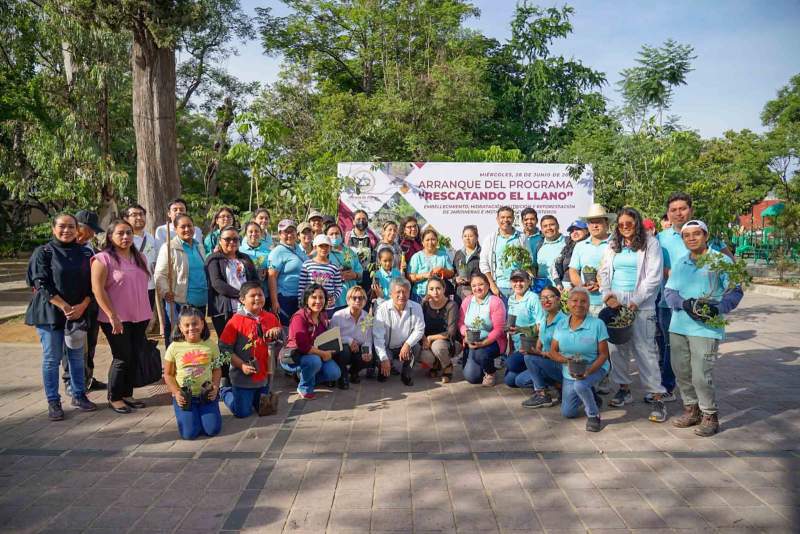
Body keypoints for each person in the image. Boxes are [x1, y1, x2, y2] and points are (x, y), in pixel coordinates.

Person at [663, 220, 743, 436]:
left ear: (705, 236)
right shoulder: (681, 263)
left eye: (696, 234)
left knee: (701, 374)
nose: (691, 238)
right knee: (681, 370)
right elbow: (669, 292)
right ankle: (692, 410)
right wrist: (683, 304)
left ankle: (710, 415)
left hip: (706, 328)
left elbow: (735, 291)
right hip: (679, 325)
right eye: (687, 235)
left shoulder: (721, 261)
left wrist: (719, 308)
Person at [598, 207, 668, 423]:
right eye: (621, 224)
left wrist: (635, 302)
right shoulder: (612, 243)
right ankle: (624, 389)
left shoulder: (650, 242)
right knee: (617, 349)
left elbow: (654, 277)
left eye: (629, 223)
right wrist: (607, 295)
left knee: (645, 351)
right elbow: (604, 272)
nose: (625, 227)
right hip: (616, 302)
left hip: (641, 304)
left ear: (637, 223)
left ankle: (657, 397)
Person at [25, 213, 98, 420]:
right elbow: (40, 283)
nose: (66, 231)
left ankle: (79, 394)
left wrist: (83, 305)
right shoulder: (44, 252)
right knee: (52, 358)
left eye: (71, 227)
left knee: (76, 357)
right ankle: (53, 401)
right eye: (62, 227)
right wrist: (64, 305)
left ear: (78, 230)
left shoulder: (85, 253)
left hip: (78, 312)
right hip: (50, 313)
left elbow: (94, 285)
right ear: (53, 229)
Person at [91, 219, 153, 414]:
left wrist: (149, 314)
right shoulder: (102, 259)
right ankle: (114, 396)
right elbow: (97, 289)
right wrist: (112, 315)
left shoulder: (140, 257)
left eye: (128, 233)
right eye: (120, 233)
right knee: (122, 357)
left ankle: (127, 393)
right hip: (115, 319)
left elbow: (144, 287)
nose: (125, 237)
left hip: (140, 316)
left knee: (134, 355)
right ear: (110, 236)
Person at [549, 288, 610, 432]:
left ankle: (594, 415)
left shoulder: (597, 324)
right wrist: (566, 360)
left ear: (588, 305)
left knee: (580, 385)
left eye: (583, 301)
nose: (579, 304)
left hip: (595, 367)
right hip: (569, 371)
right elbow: (552, 351)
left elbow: (603, 355)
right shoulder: (561, 324)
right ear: (568, 303)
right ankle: (592, 395)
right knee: (568, 413)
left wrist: (589, 371)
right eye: (574, 301)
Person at [219, 282, 282, 417]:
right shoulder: (235, 322)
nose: (258, 298)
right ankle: (225, 391)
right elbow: (224, 349)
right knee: (242, 413)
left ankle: (254, 398)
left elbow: (282, 341)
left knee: (264, 410)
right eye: (252, 295)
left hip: (264, 376)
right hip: (243, 378)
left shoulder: (271, 317)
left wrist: (278, 332)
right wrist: (241, 365)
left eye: (260, 294)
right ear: (242, 300)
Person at [656, 192, 694, 403]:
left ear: (691, 209)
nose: (678, 213)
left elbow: (724, 261)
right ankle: (668, 386)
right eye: (674, 210)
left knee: (693, 347)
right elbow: (657, 268)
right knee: (669, 346)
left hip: (697, 303)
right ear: (668, 214)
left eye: (683, 208)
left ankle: (692, 389)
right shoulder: (660, 239)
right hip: (667, 303)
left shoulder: (701, 234)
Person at [163, 306, 222, 440]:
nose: (191, 328)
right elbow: (168, 374)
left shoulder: (211, 345)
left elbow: (217, 369)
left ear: (202, 324)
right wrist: (176, 392)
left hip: (205, 395)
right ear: (180, 327)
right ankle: (192, 416)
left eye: (195, 324)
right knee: (189, 434)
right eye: (187, 325)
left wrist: (215, 387)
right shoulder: (173, 347)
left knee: (212, 430)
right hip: (185, 396)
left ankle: (203, 414)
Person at [63, 210, 105, 392]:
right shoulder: (61, 250)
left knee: (90, 343)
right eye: (84, 229)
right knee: (72, 344)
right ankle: (70, 381)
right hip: (71, 307)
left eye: (92, 231)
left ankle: (87, 377)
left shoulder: (92, 250)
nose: (87, 234)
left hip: (91, 306)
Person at [154, 214, 208, 345]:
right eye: (182, 226)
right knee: (177, 339)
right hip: (180, 301)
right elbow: (160, 274)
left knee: (196, 338)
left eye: (189, 225)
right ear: (176, 229)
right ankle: (173, 365)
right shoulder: (169, 248)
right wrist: (166, 292)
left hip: (201, 301)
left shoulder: (199, 246)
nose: (187, 229)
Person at [285, 284, 342, 399]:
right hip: (295, 356)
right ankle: (304, 386)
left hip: (316, 353)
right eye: (314, 297)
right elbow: (303, 346)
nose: (318, 301)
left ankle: (304, 376)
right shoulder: (299, 317)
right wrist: (323, 354)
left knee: (335, 373)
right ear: (306, 299)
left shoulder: (323, 315)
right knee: (315, 361)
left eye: (321, 297)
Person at [205, 225, 259, 344]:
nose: (232, 242)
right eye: (227, 239)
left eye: (235, 239)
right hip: (224, 310)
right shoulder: (213, 260)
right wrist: (241, 296)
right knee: (227, 344)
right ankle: (227, 363)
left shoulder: (245, 258)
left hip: (247, 308)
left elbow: (255, 280)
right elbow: (217, 283)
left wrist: (250, 298)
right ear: (220, 240)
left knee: (246, 342)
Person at [520, 285, 568, 408]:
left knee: (529, 359)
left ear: (558, 299)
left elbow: (563, 352)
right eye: (542, 298)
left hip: (561, 365)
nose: (546, 301)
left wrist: (538, 354)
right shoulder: (544, 318)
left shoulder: (564, 322)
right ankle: (557, 386)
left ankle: (542, 394)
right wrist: (532, 350)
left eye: (550, 297)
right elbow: (539, 344)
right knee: (519, 380)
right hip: (547, 361)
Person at [373, 278, 426, 386]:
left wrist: (407, 344)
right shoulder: (382, 309)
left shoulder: (416, 307)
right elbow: (378, 337)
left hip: (404, 347)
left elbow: (420, 329)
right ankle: (385, 367)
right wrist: (383, 359)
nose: (402, 295)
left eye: (405, 292)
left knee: (415, 348)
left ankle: (406, 372)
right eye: (398, 292)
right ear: (391, 293)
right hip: (387, 347)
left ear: (409, 293)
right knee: (382, 364)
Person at [458, 273, 506, 386]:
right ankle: (480, 363)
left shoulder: (495, 302)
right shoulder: (467, 301)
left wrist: (483, 343)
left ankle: (491, 372)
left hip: (492, 342)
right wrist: (466, 334)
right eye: (474, 285)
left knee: (480, 354)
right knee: (473, 378)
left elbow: (498, 329)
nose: (477, 288)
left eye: (480, 284)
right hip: (471, 341)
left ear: (488, 286)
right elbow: (460, 322)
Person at [568, 204, 614, 317]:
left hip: (611, 301)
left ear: (606, 223)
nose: (595, 226)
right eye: (591, 222)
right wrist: (582, 286)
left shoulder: (615, 244)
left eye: (598, 222)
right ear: (587, 225)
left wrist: (602, 285)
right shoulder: (580, 246)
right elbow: (573, 270)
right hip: (586, 303)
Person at [503, 270, 544, 388]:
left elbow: (540, 326)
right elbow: (511, 328)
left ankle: (543, 373)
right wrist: (510, 349)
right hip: (517, 348)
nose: (518, 284)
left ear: (528, 282)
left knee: (511, 364)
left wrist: (522, 330)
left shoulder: (533, 298)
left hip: (531, 347)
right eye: (515, 281)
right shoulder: (511, 299)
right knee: (510, 380)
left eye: (521, 281)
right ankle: (528, 371)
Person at [479, 207, 527, 301]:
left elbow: (528, 261)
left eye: (509, 217)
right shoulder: (490, 239)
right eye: (502, 217)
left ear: (513, 219)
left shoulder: (522, 238)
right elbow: (483, 264)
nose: (505, 220)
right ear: (497, 219)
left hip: (518, 288)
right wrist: (492, 285)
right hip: (498, 288)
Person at [330, 286, 374, 388]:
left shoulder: (367, 317)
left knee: (370, 357)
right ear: (348, 300)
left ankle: (354, 372)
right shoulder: (338, 316)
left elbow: (367, 339)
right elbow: (331, 338)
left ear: (365, 300)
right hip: (341, 349)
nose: (358, 300)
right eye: (354, 298)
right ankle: (342, 374)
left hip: (358, 348)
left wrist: (367, 352)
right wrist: (349, 341)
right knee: (344, 351)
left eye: (361, 298)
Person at [268, 220, 308, 326]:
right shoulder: (278, 252)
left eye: (292, 231)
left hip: (301, 297)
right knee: (287, 330)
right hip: (285, 299)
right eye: (286, 232)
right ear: (280, 234)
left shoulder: (299, 249)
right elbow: (272, 277)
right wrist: (274, 302)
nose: (289, 235)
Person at [419, 277, 459, 383]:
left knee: (438, 346)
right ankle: (436, 365)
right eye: (431, 289)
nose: (435, 292)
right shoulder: (425, 305)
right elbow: (419, 326)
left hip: (448, 342)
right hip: (428, 342)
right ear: (427, 291)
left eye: (438, 288)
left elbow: (451, 332)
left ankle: (447, 366)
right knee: (420, 352)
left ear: (444, 289)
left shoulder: (451, 305)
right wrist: (424, 339)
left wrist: (430, 338)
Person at [297, 234, 343, 315]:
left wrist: (334, 298)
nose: (324, 249)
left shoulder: (334, 267)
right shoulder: (307, 265)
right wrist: (302, 304)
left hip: (328, 307)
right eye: (321, 246)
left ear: (330, 248)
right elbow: (302, 287)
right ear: (315, 247)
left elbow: (339, 287)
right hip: (311, 306)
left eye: (327, 246)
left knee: (327, 327)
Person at [124, 204, 158, 310]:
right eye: (134, 215)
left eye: (141, 214)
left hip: (149, 287)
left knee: (145, 321)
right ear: (125, 218)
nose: (139, 217)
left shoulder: (150, 237)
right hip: (130, 288)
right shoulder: (123, 239)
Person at [407, 228, 453, 302]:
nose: (430, 242)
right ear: (422, 242)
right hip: (420, 294)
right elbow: (410, 276)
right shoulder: (417, 257)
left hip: (439, 294)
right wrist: (424, 275)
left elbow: (451, 273)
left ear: (437, 241)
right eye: (427, 240)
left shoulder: (443, 255)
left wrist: (442, 270)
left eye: (433, 239)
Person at [327, 223, 363, 311]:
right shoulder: (325, 252)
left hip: (351, 297)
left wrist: (354, 275)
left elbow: (360, 273)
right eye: (331, 234)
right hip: (335, 299)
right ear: (326, 236)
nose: (334, 236)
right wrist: (337, 275)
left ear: (341, 235)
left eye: (337, 233)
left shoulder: (349, 251)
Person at [345, 209, 379, 293]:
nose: (361, 221)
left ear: (367, 221)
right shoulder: (346, 237)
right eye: (358, 219)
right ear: (353, 222)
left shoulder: (372, 239)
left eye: (364, 219)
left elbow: (374, 261)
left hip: (366, 276)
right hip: (351, 275)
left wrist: (374, 278)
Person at [550, 220, 589, 291]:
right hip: (565, 288)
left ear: (587, 231)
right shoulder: (566, 249)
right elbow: (554, 266)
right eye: (572, 231)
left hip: (586, 288)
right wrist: (558, 283)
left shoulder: (592, 247)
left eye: (578, 229)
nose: (574, 232)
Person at [240, 221, 271, 296]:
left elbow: (273, 270)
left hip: (263, 293)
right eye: (250, 231)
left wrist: (267, 272)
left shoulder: (268, 252)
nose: (253, 234)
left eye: (256, 231)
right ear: (246, 234)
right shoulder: (239, 251)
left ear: (261, 234)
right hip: (246, 294)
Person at [534, 215, 566, 288]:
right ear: (541, 229)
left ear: (558, 226)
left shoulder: (568, 243)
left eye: (552, 225)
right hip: (543, 292)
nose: (548, 228)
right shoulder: (539, 245)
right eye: (545, 226)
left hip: (562, 291)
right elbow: (535, 269)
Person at [452, 225, 481, 301]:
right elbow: (453, 272)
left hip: (475, 292)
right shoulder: (458, 254)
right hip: (459, 293)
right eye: (465, 236)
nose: (467, 238)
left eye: (470, 236)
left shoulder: (481, 254)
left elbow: (485, 274)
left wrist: (471, 279)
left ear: (476, 237)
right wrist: (456, 279)